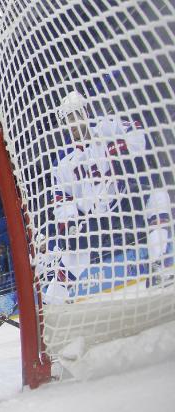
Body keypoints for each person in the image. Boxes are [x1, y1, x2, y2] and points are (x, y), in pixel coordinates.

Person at [42, 90, 173, 303]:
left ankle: (156, 267)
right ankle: (54, 300)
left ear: (86, 112)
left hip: (122, 200)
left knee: (157, 198)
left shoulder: (106, 127)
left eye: (77, 115)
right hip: (94, 218)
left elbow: (137, 134)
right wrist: (70, 221)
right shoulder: (63, 162)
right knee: (76, 253)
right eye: (69, 119)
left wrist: (119, 148)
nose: (74, 123)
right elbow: (61, 199)